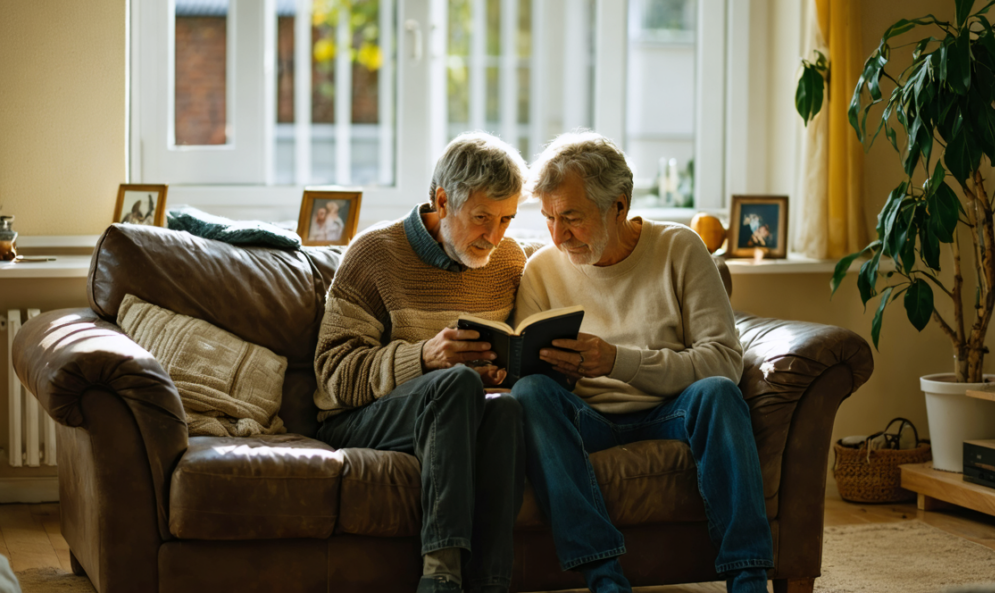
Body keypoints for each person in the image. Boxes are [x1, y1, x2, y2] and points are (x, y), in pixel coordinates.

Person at [510, 133, 772, 593]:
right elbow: (531, 375)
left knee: (720, 393)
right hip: (584, 418)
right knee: (530, 394)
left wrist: (616, 361)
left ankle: (748, 578)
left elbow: (725, 361)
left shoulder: (680, 249)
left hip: (671, 411)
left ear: (618, 206)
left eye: (572, 217)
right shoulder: (542, 270)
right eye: (549, 217)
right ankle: (605, 579)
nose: (557, 234)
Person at [313, 133, 528, 593]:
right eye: (481, 219)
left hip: (458, 407)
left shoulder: (508, 260)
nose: (495, 236)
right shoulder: (374, 253)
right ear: (443, 200)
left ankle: (492, 582)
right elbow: (333, 374)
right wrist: (423, 357)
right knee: (454, 385)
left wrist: (503, 372)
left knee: (506, 408)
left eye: (507, 218)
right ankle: (441, 577)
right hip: (359, 417)